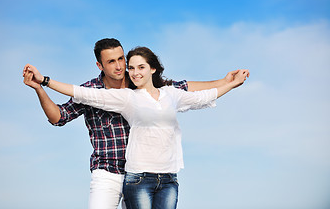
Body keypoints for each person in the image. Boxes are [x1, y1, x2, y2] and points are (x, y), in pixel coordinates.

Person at [23, 38, 248, 209]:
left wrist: (224, 81)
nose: (120, 66)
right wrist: (40, 87)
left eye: (121, 59)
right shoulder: (91, 91)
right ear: (99, 65)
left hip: (144, 173)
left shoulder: (138, 81)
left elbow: (182, 89)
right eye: (111, 61)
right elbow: (58, 117)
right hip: (108, 172)